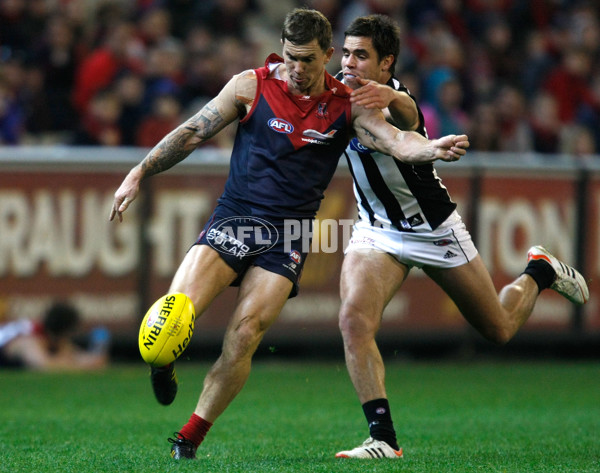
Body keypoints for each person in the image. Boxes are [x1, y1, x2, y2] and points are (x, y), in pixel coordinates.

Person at [109, 8, 469, 460]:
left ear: (328, 55)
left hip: (289, 234)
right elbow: (192, 131)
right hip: (234, 219)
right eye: (291, 57)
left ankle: (190, 435)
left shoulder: (345, 104)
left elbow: (395, 140)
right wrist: (139, 172)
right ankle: (162, 364)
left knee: (245, 333)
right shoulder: (251, 85)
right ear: (281, 49)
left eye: (309, 60)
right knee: (175, 316)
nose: (299, 69)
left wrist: (430, 147)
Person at [331, 15, 589, 460]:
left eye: (361, 55)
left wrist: (428, 142)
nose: (349, 62)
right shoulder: (336, 90)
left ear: (387, 62)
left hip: (434, 230)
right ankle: (383, 440)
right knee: (354, 320)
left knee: (499, 329)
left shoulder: (395, 98)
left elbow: (404, 126)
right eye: (346, 51)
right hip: (376, 230)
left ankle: (539, 271)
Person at [0, 302, 110, 371]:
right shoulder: (29, 340)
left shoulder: (52, 338)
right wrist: (82, 367)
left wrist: (95, 359)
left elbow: (74, 356)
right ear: (65, 331)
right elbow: (44, 366)